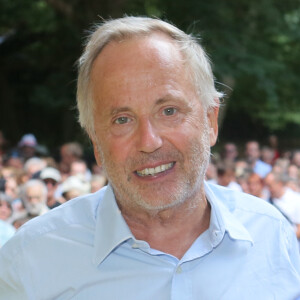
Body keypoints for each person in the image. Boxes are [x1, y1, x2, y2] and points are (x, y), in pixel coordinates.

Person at [0, 16, 299, 299]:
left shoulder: (272, 237)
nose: (149, 142)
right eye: (122, 119)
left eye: (169, 111)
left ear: (211, 121)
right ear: (96, 143)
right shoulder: (30, 260)